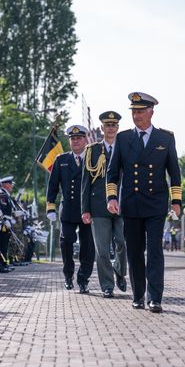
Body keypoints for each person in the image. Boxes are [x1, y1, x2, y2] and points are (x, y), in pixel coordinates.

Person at [106, 92, 181, 313]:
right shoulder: (123, 138)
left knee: (155, 250)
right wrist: (111, 197)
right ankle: (138, 295)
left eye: (140, 111)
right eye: (134, 111)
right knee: (135, 252)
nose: (136, 115)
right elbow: (112, 173)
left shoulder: (165, 138)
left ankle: (155, 297)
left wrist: (176, 200)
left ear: (151, 112)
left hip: (156, 203)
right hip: (131, 203)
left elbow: (174, 173)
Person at [81, 111, 127, 298]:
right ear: (102, 128)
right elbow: (86, 181)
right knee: (102, 250)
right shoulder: (92, 150)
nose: (110, 128)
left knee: (123, 242)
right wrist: (85, 210)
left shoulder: (125, 147)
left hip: (122, 205)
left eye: (113, 125)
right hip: (98, 206)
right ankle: (107, 285)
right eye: (107, 125)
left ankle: (119, 271)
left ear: (117, 128)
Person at [46, 124, 95, 293]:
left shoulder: (92, 158)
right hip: (67, 209)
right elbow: (52, 186)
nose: (76, 141)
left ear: (85, 139)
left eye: (79, 138)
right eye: (73, 139)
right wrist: (50, 207)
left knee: (87, 246)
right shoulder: (61, 160)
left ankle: (83, 279)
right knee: (66, 241)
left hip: (87, 209)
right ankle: (68, 275)